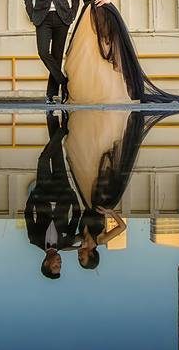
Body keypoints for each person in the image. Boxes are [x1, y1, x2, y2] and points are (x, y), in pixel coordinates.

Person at [61, 0, 173, 104]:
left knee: (105, 51)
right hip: (86, 14)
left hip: (101, 13)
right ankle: (91, 92)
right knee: (84, 53)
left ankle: (110, 91)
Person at [63, 110, 173, 270]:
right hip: (103, 199)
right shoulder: (101, 240)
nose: (80, 256)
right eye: (83, 258)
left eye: (79, 259)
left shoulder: (81, 237)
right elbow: (122, 227)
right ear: (92, 254)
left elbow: (63, 246)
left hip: (88, 200)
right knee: (106, 166)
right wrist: (111, 213)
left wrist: (76, 246)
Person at [24, 0, 82, 104]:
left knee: (57, 56)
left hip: (62, 18)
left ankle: (51, 94)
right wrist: (32, 15)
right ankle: (65, 83)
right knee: (43, 52)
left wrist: (71, 15)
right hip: (42, 18)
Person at [24, 110, 81, 279]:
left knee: (42, 160)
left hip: (43, 190)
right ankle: (53, 119)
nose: (59, 262)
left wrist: (34, 195)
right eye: (60, 265)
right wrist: (72, 195)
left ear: (45, 263)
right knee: (57, 156)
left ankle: (62, 128)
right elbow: (76, 216)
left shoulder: (34, 239)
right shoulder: (67, 241)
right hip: (63, 190)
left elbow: (28, 214)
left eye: (55, 265)